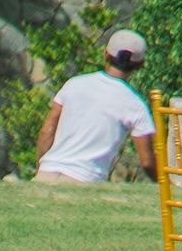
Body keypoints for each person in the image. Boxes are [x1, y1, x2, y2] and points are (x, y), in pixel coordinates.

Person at [34, 28, 157, 185]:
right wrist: (167, 184)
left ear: (106, 54)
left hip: (47, 173)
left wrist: (41, 168)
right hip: (85, 179)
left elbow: (47, 129)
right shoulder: (135, 104)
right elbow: (147, 162)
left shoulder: (74, 84)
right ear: (140, 64)